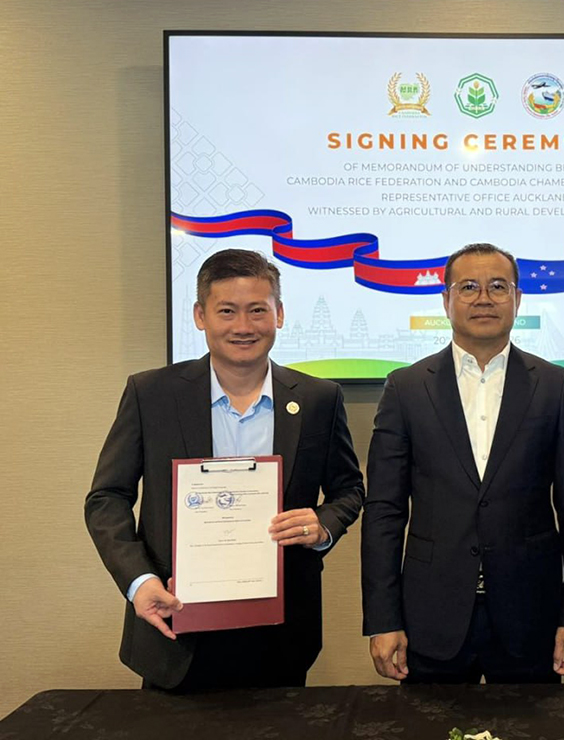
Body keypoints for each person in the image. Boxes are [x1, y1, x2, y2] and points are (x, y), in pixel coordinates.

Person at [84, 248, 364, 691]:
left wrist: (323, 525)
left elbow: (349, 489)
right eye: (227, 311)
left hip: (281, 632)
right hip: (176, 627)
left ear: (279, 314)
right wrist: (139, 581)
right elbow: (106, 499)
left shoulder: (318, 399)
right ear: (200, 316)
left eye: (258, 310)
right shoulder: (151, 394)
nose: (243, 326)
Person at [361, 243, 564, 684]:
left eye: (498, 287)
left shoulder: (555, 387)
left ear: (518, 299)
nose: (484, 298)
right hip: (431, 615)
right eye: (468, 287)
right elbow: (384, 512)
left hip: (531, 614)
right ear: (446, 300)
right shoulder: (406, 388)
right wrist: (382, 619)